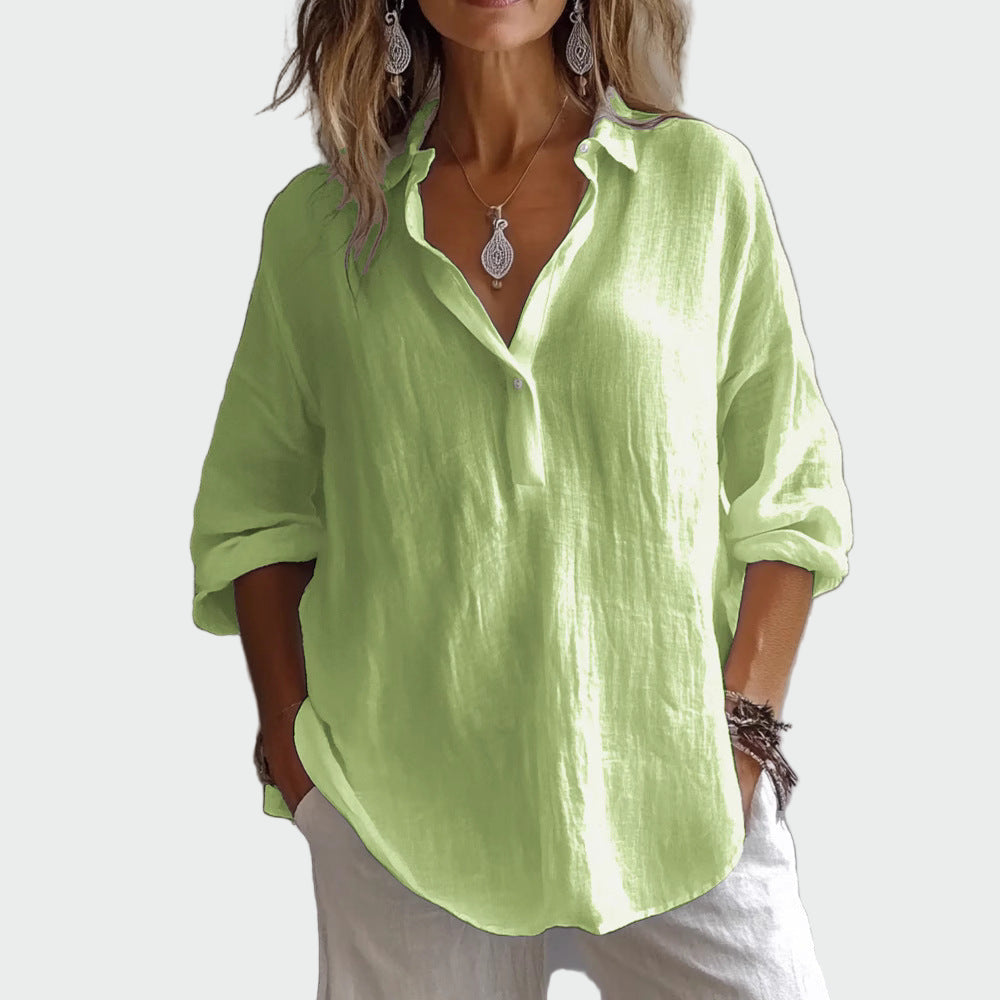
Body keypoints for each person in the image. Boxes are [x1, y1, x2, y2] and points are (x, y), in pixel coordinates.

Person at [189, 0, 853, 996]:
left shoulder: (700, 185)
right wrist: (298, 758)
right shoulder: (319, 229)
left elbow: (790, 485)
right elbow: (258, 510)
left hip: (676, 793)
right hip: (401, 818)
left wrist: (742, 736)